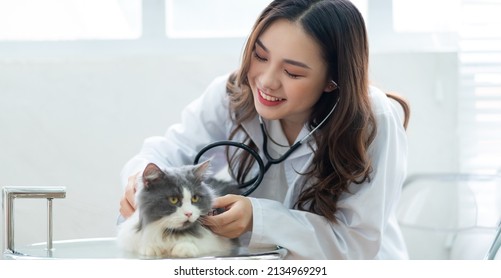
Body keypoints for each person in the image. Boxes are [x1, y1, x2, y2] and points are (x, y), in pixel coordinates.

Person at [119, 0, 410, 259]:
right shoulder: (232, 94)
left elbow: (357, 244)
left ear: (332, 80)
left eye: (292, 72)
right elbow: (168, 152)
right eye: (260, 56)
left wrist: (260, 220)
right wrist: (139, 183)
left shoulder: (373, 119)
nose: (266, 81)